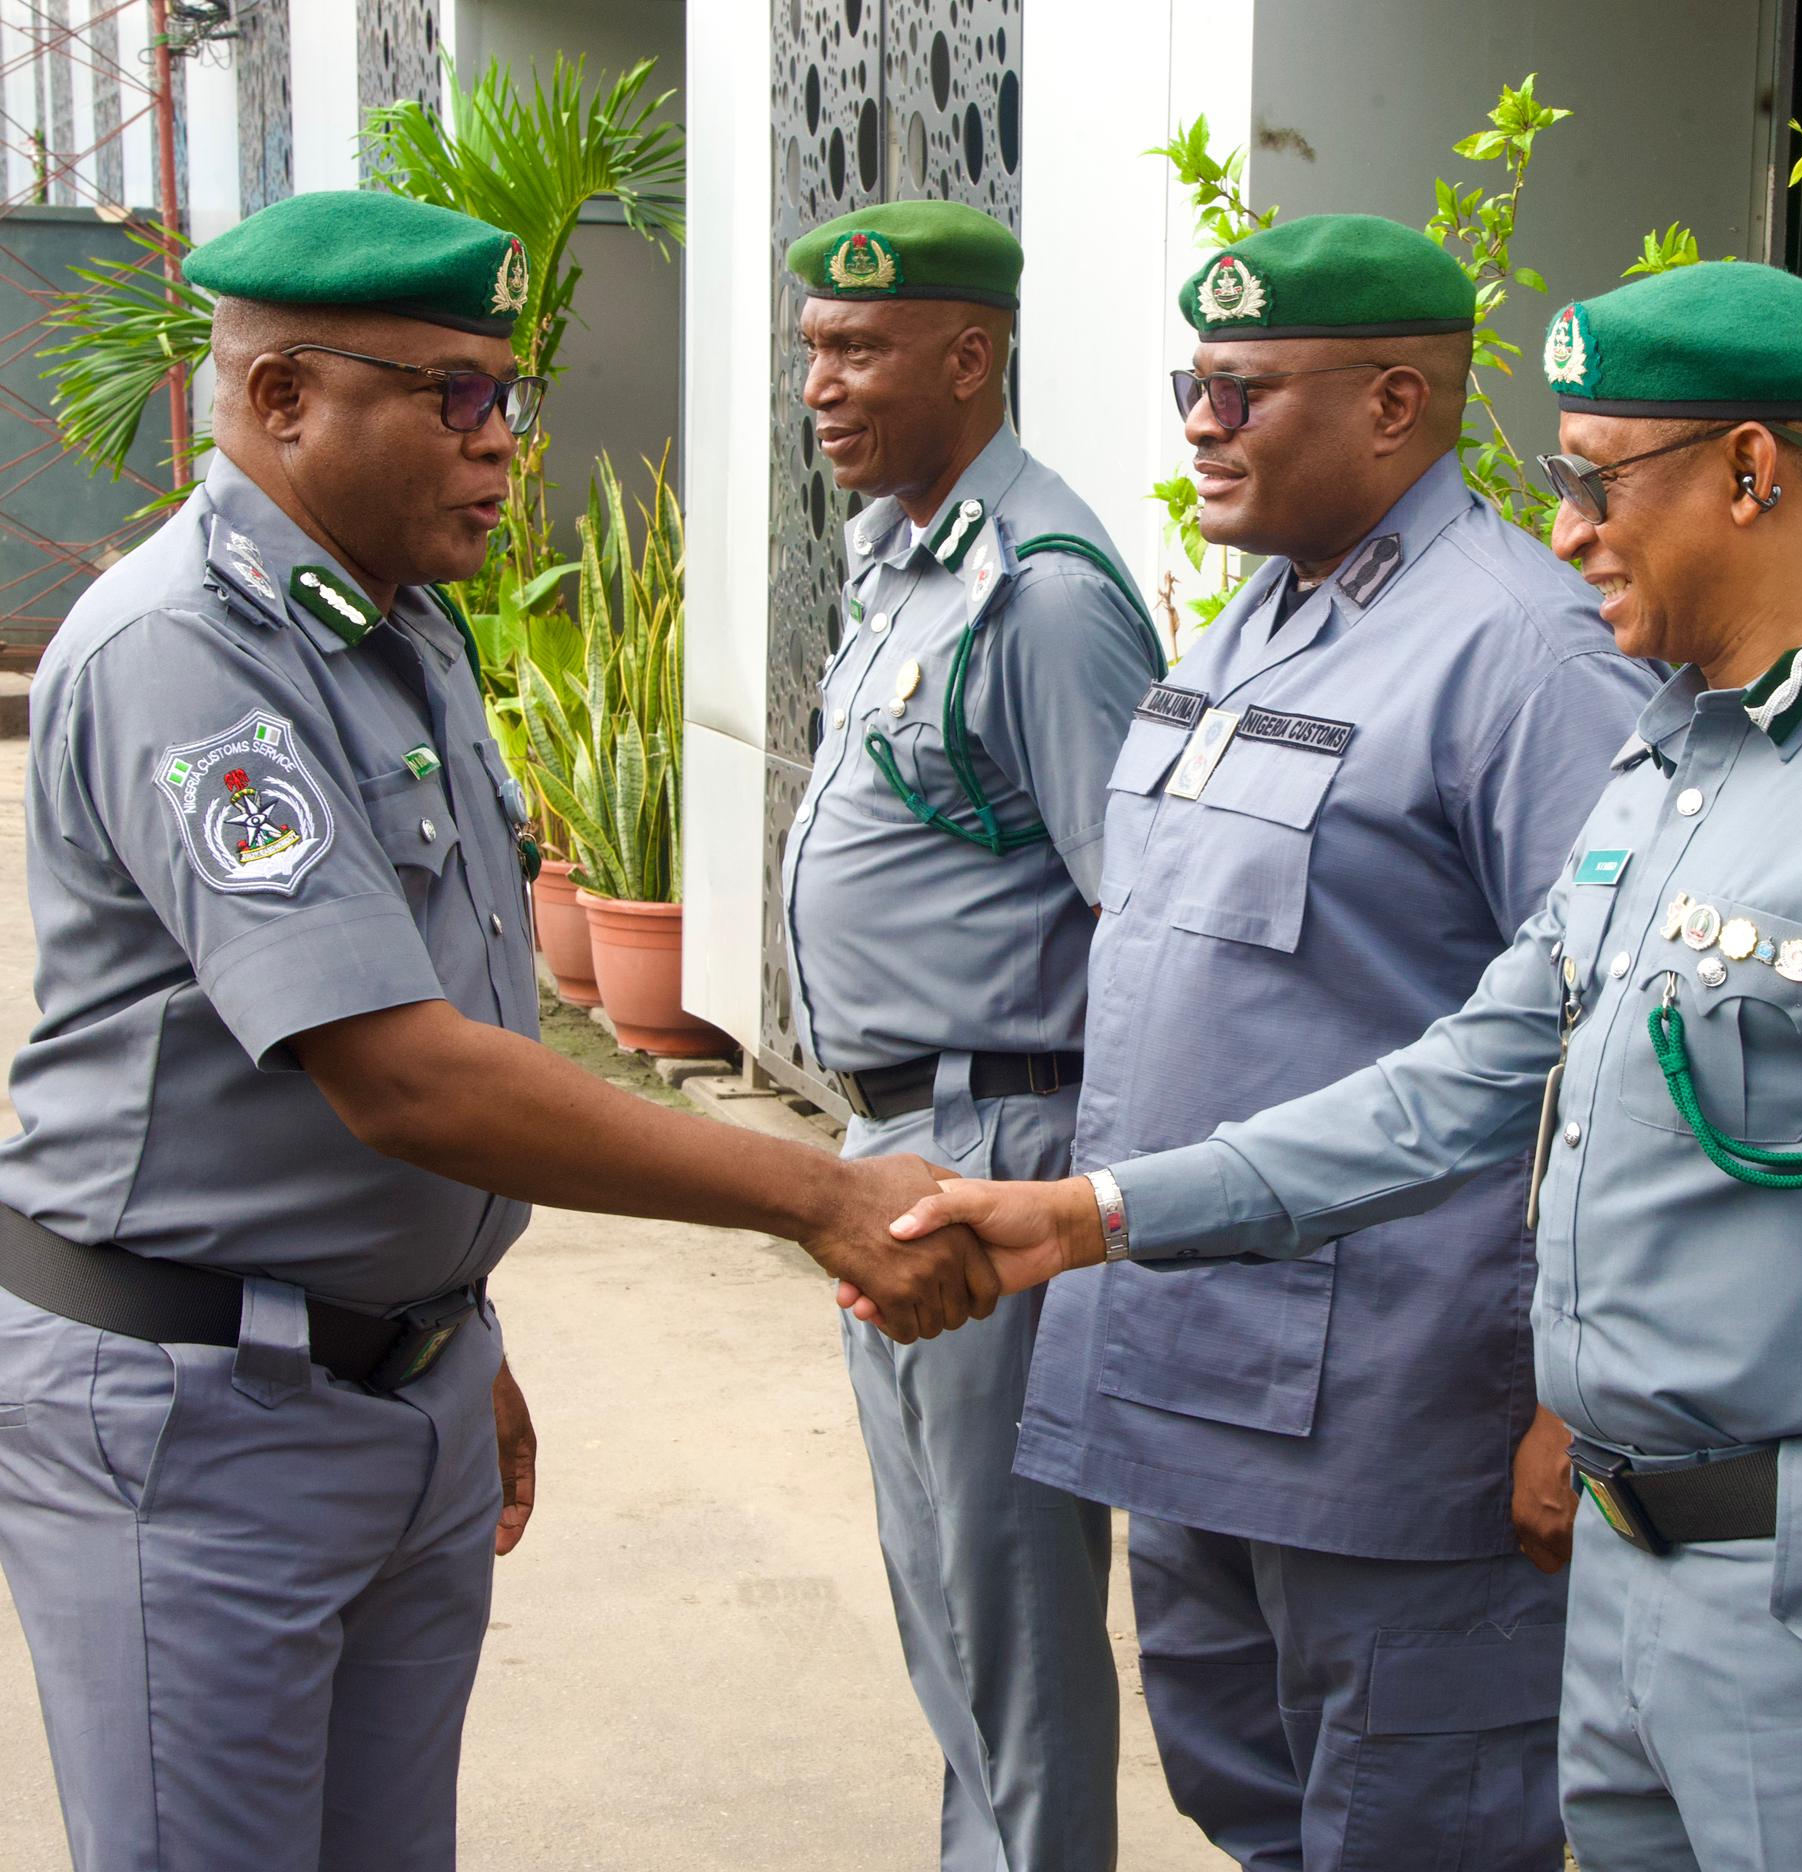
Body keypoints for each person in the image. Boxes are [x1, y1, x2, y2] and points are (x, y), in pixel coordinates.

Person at [880, 259, 1802, 1870]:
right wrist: (1094, 1214)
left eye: (1598, 483)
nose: (1566, 530)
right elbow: (1459, 1082)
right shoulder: (1669, 761)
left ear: (1750, 472)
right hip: (1624, 1559)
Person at [0, 190, 982, 1872]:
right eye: (451, 394)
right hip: (197, 1410)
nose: (500, 441)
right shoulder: (191, 651)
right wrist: (814, 1195)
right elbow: (403, 1073)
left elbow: (458, 1010)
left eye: (506, 397)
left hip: (389, 1379)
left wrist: (449, 1322)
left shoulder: (396, 625)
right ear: (283, 400)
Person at [1000, 212, 1651, 1871]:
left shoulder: (1523, 650)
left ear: (1392, 405)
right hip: (1181, 1370)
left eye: (1245, 391)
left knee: (1416, 1829)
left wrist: (1574, 1393)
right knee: (1249, 1811)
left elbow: (1608, 1045)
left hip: (1392, 1413)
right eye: (1195, 386)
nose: (1202, 425)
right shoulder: (1253, 625)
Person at [778, 199, 1163, 1872]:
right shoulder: (907, 561)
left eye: (858, 349)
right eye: (811, 351)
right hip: (899, 1140)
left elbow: (1142, 925)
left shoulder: (1047, 596)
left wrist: (1092, 1209)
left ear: (970, 356)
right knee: (942, 1599)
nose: (822, 385)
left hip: (1001, 1143)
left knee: (1008, 1621)